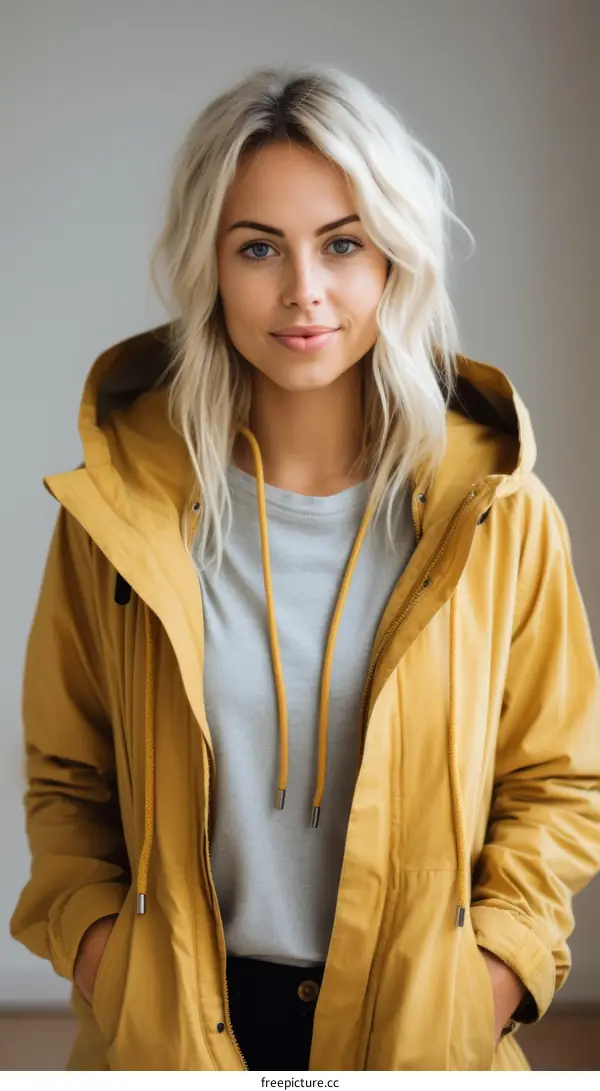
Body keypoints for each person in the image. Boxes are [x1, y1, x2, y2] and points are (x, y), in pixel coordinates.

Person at [10, 64, 600, 1073]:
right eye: (258, 248)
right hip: (176, 1036)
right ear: (210, 265)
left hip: (425, 1034)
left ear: (392, 261)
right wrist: (105, 951)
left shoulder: (497, 513)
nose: (304, 291)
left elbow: (555, 781)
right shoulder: (118, 516)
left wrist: (495, 969)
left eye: (342, 243)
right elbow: (68, 774)